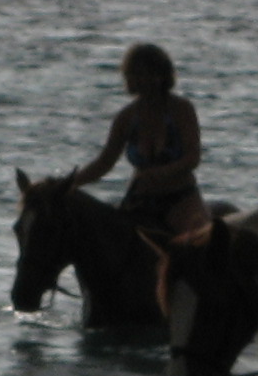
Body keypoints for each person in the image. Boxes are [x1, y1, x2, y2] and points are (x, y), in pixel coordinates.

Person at [69, 42, 205, 235]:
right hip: (139, 200)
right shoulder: (126, 117)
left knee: (197, 247)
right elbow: (104, 162)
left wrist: (162, 172)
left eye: (148, 73)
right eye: (134, 74)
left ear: (162, 75)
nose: (142, 80)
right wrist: (69, 183)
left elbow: (193, 158)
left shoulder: (181, 109)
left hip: (181, 199)